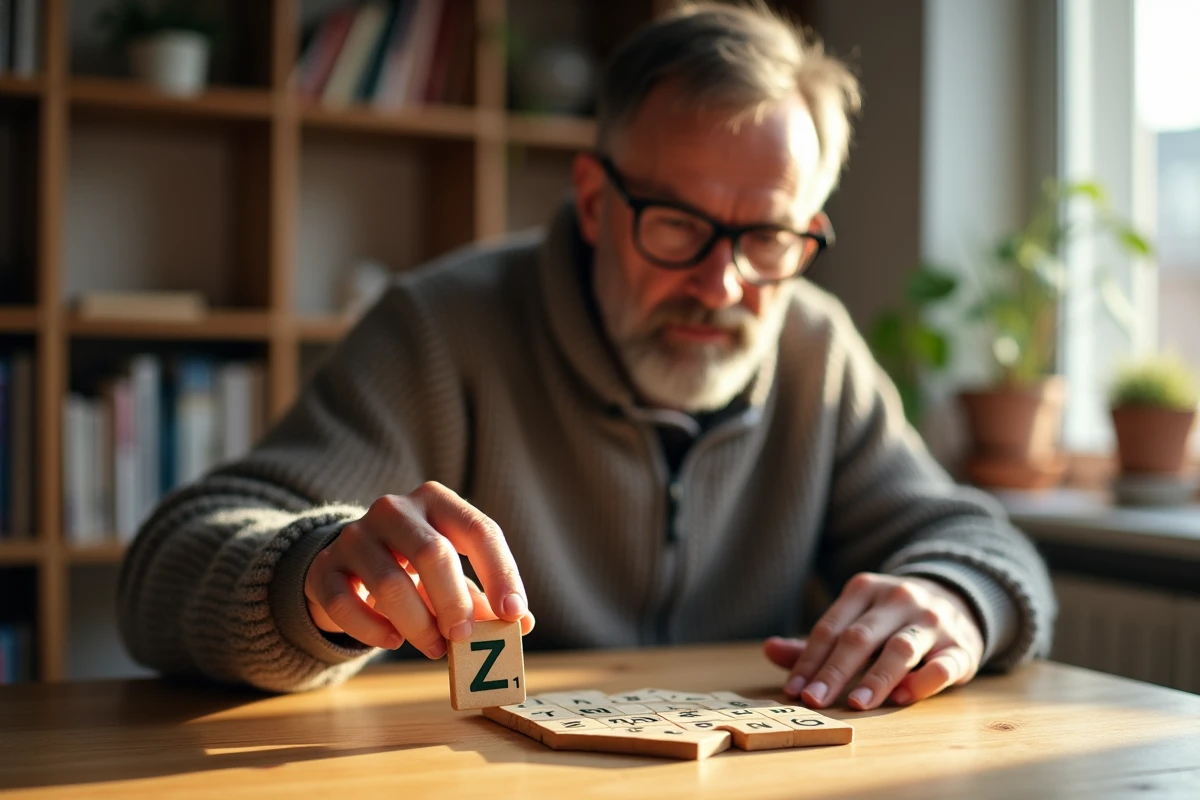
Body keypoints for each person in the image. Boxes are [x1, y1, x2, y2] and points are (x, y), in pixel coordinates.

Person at [118, 1, 1055, 711]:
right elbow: (164, 569)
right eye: (678, 225)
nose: (722, 286)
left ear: (807, 229)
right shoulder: (442, 329)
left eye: (767, 237)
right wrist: (310, 578)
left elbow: (983, 544)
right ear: (598, 203)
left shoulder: (816, 346)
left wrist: (954, 601)